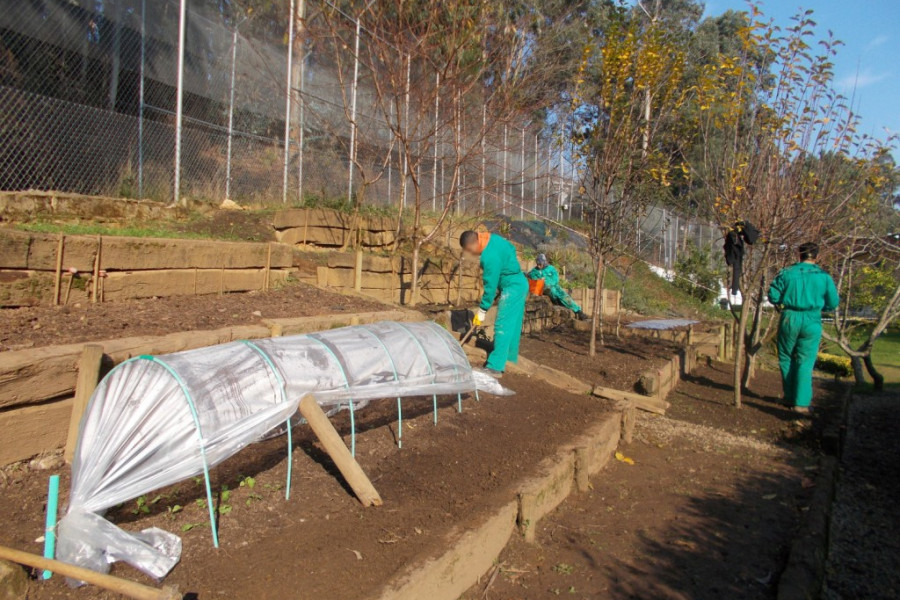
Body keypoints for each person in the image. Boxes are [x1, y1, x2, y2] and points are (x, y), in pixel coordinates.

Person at [767, 242, 839, 414]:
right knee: (805, 361)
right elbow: (833, 302)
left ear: (799, 255)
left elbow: (773, 295)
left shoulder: (787, 272)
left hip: (790, 317)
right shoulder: (824, 276)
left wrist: (783, 303)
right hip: (812, 319)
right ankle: (802, 403)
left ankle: (789, 396)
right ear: (817, 256)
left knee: (786, 357)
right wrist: (822, 308)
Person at [460, 230, 528, 377]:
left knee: (502, 325)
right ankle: (509, 358)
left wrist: (483, 310)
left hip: (513, 287)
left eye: (470, 250)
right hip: (519, 282)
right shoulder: (492, 238)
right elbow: (510, 248)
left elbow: (490, 287)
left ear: (474, 243)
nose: (473, 254)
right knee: (513, 326)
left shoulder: (489, 257)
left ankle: (495, 367)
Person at [527, 254, 588, 320]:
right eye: (537, 263)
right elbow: (531, 276)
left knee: (564, 296)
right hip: (543, 288)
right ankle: (557, 302)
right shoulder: (534, 271)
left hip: (555, 287)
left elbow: (555, 279)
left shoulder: (551, 269)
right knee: (551, 291)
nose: (538, 265)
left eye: (540, 263)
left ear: (544, 262)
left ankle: (578, 311)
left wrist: (546, 281)